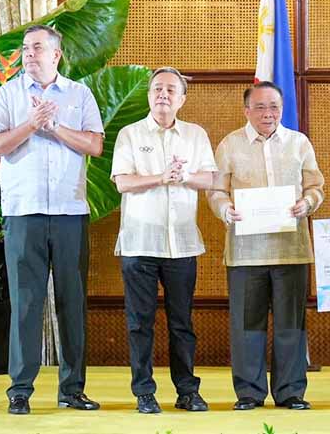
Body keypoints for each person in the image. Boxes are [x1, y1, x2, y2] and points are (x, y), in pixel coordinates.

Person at [0, 24, 104, 415]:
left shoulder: (79, 94)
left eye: (36, 48)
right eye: (25, 49)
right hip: (23, 213)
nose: (29, 54)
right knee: (26, 303)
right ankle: (20, 390)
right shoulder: (8, 94)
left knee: (72, 302)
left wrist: (55, 128)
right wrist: (32, 125)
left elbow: (94, 144)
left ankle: (72, 389)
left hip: (70, 212)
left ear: (56, 55)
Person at [209, 81, 324, 411]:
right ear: (247, 111)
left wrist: (307, 203)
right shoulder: (230, 144)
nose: (268, 113)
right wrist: (225, 210)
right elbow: (216, 191)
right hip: (246, 252)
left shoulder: (299, 143)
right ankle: (249, 393)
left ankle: (290, 392)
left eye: (274, 106)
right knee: (247, 325)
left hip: (292, 249)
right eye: (260, 107)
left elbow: (316, 186)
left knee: (291, 324)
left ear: (282, 109)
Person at [111, 67, 217, 413]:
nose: (163, 95)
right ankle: (144, 392)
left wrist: (183, 175)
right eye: (157, 88)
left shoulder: (195, 135)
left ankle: (187, 390)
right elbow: (123, 182)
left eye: (171, 90)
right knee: (140, 322)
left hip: (181, 243)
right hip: (139, 242)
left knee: (182, 323)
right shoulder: (130, 134)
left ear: (182, 99)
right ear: (148, 95)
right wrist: (161, 177)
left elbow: (209, 179)